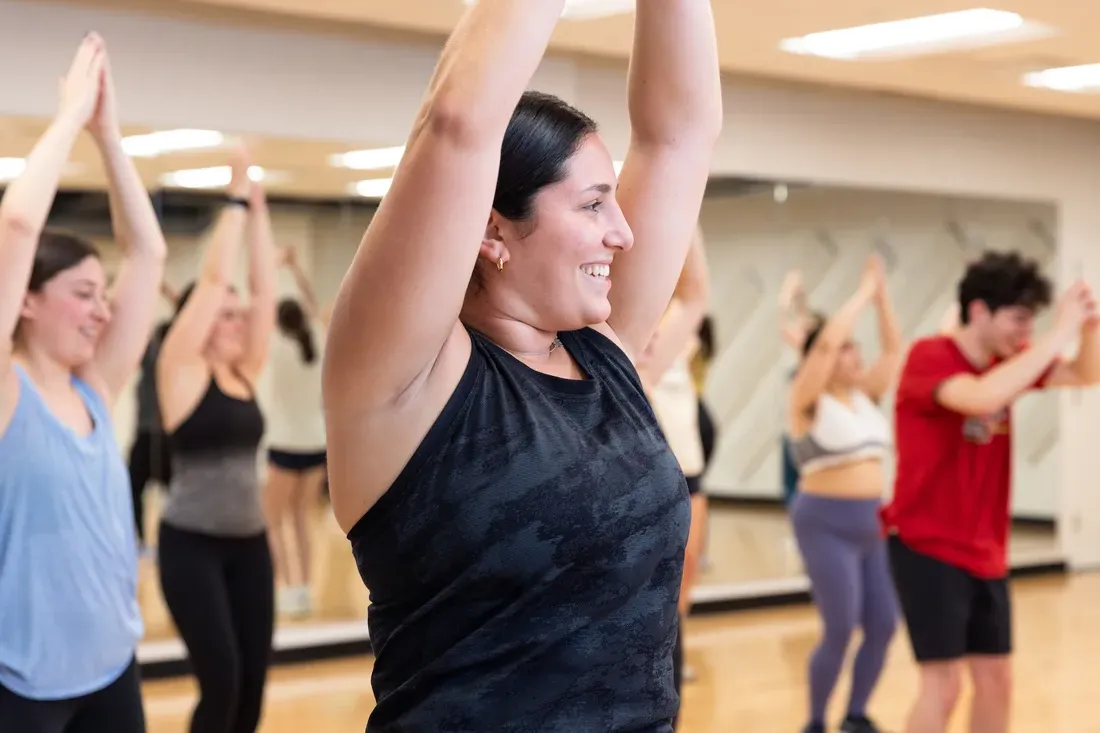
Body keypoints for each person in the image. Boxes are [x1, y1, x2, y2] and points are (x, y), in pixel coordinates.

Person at [321, 0, 722, 729]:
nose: (624, 232)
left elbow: (679, 136)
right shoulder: (405, 381)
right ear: (493, 230)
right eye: (594, 204)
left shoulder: (605, 354)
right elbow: (459, 121)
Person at [0, 34, 167, 731]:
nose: (104, 310)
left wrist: (110, 136)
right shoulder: (8, 393)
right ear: (28, 301)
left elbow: (149, 251)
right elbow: (15, 222)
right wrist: (68, 116)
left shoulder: (96, 384)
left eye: (106, 295)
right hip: (22, 681)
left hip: (111, 667)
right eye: (84, 293)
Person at [882, 250, 1100, 733]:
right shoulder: (929, 357)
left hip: (986, 549)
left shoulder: (1014, 360)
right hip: (927, 545)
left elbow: (1086, 374)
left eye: (1032, 323)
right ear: (979, 310)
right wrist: (1057, 334)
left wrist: (1086, 330)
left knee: (997, 678)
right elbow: (980, 397)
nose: (1026, 334)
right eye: (1018, 320)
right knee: (944, 685)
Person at [155, 152, 278, 733]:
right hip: (191, 547)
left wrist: (258, 214)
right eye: (224, 315)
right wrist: (230, 204)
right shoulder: (181, 370)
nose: (237, 320)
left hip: (249, 545)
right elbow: (211, 283)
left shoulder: (245, 371)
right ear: (199, 322)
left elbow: (266, 287)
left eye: (238, 314)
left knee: (252, 685)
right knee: (222, 681)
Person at [786, 255, 903, 733]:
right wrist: (856, 297)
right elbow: (826, 343)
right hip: (824, 522)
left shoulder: (864, 397)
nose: (856, 355)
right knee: (840, 627)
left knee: (884, 625)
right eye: (848, 349)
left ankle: (855, 716)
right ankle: (815, 721)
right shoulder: (806, 400)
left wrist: (881, 297)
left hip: (872, 523)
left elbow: (894, 351)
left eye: (857, 349)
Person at [639, 229, 710, 725]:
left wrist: (687, 205)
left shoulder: (642, 363)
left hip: (681, 481)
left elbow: (695, 296)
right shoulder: (617, 363)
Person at [263, 245, 331, 617]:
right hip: (315, 444)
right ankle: (304, 588)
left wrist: (275, 267)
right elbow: (312, 302)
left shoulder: (277, 345)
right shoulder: (317, 342)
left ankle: (285, 587)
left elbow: (264, 306)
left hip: (286, 444)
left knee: (273, 520)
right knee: (303, 519)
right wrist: (296, 268)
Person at [128, 281, 178, 553]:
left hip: (166, 435)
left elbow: (186, 311)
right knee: (133, 487)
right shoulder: (149, 355)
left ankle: (164, 543)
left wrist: (162, 291)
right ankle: (141, 541)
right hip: (149, 435)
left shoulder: (176, 359)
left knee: (174, 493)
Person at [778, 268, 825, 505]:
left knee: (804, 489)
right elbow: (800, 317)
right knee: (791, 490)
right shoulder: (803, 355)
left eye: (806, 328)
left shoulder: (815, 358)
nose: (800, 328)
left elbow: (785, 320)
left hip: (808, 435)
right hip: (792, 433)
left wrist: (787, 295)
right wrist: (799, 295)